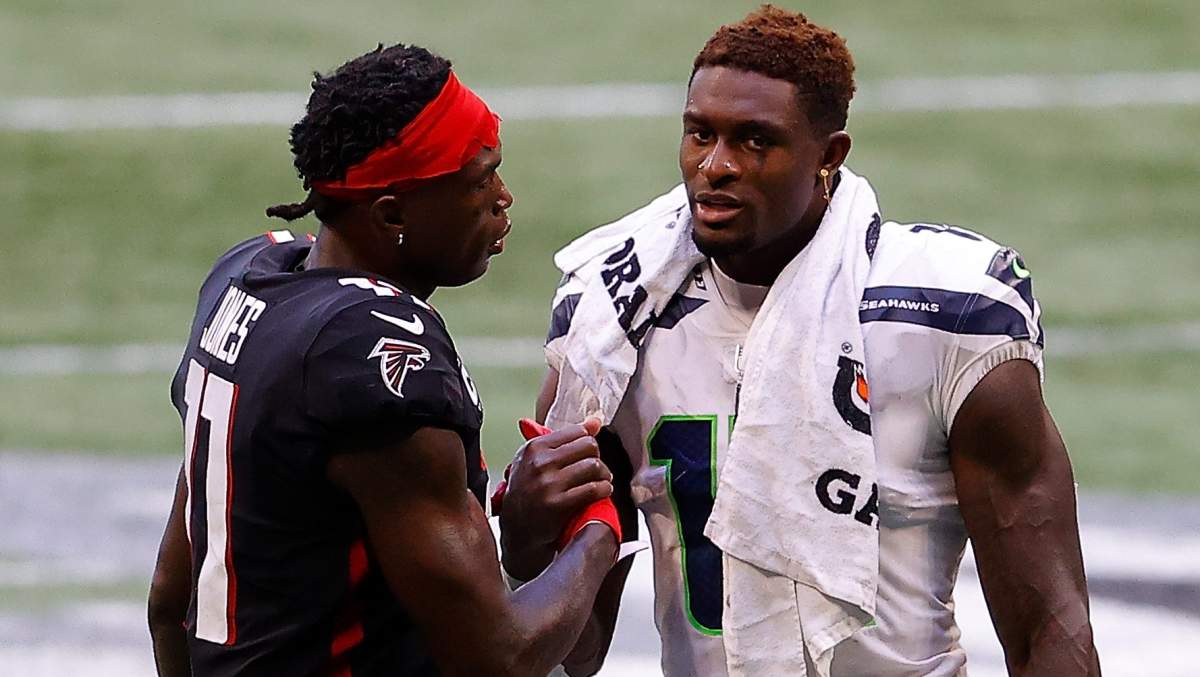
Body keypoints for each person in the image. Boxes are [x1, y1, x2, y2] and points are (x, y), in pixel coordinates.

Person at [502, 6, 1101, 676]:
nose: (715, 166)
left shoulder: (946, 313)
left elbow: (1051, 627)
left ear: (829, 155)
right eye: (700, 133)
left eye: (755, 141)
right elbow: (574, 653)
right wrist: (525, 547)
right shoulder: (610, 318)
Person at [146, 43, 623, 677]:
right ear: (392, 212)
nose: (503, 197)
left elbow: (169, 601)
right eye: (479, 180)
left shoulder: (251, 273)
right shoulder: (371, 349)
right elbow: (499, 657)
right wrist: (600, 529)